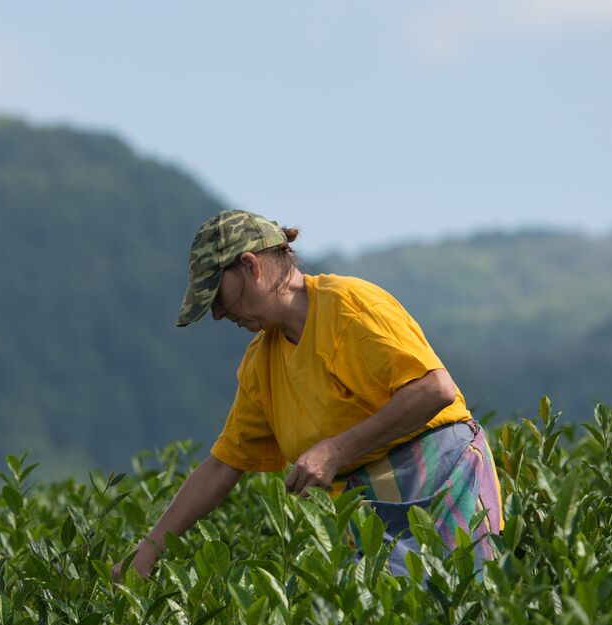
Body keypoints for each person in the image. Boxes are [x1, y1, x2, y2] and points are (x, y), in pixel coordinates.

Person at [112, 209, 503, 582]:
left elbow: (434, 389)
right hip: (367, 508)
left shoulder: (348, 307)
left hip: (440, 483)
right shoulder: (260, 362)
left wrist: (337, 450)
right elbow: (221, 467)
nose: (217, 314)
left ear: (252, 266)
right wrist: (148, 551)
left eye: (218, 295)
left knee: (451, 612)